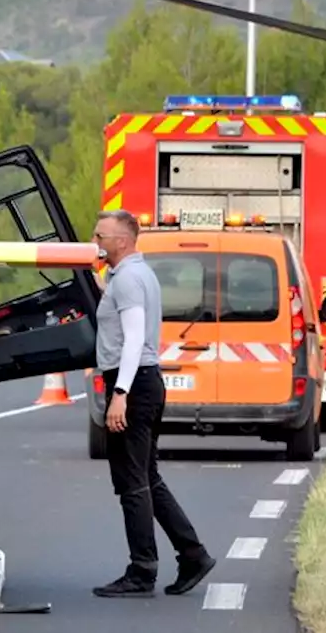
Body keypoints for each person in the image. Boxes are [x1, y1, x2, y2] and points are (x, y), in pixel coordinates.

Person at [89, 209, 215, 598]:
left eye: (101, 236)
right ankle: (192, 554)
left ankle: (142, 570)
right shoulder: (135, 275)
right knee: (147, 477)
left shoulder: (127, 280)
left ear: (122, 242)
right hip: (145, 382)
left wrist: (120, 395)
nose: (95, 242)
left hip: (135, 384)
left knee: (133, 483)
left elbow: (133, 338)